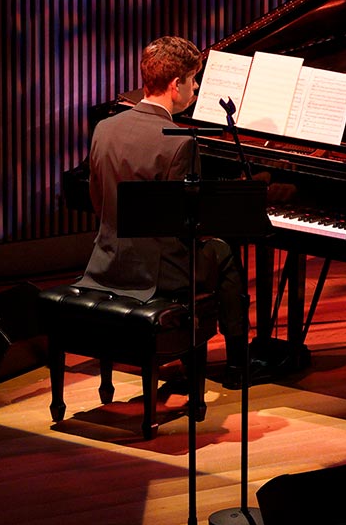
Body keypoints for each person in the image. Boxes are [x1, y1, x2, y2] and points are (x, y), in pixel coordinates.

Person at [77, 35, 252, 384]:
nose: (196, 87)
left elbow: (99, 202)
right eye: (193, 80)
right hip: (157, 274)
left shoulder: (105, 129)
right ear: (176, 85)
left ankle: (203, 355)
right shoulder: (179, 142)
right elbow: (188, 224)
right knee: (226, 252)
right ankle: (236, 363)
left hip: (107, 261)